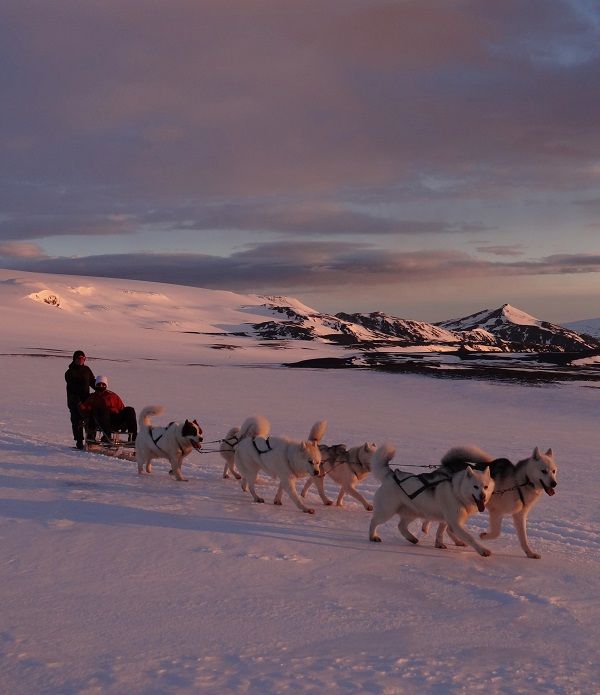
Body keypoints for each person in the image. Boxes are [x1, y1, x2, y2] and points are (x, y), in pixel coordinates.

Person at [79, 375, 137, 443]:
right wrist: (80, 406)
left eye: (103, 384)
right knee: (103, 410)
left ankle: (134, 438)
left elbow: (121, 408)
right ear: (95, 385)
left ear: (106, 385)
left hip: (115, 420)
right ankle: (107, 437)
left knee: (130, 410)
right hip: (102, 421)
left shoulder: (112, 395)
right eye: (99, 384)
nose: (101, 386)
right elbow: (86, 410)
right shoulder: (93, 397)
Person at [65, 349, 96, 449]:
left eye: (83, 358)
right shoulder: (70, 372)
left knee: (91, 419)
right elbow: (73, 389)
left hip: (86, 400)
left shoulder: (86, 369)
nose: (81, 360)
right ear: (74, 359)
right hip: (74, 400)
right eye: (79, 358)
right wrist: (78, 402)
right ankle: (79, 441)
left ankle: (91, 440)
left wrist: (101, 388)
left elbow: (92, 382)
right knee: (77, 420)